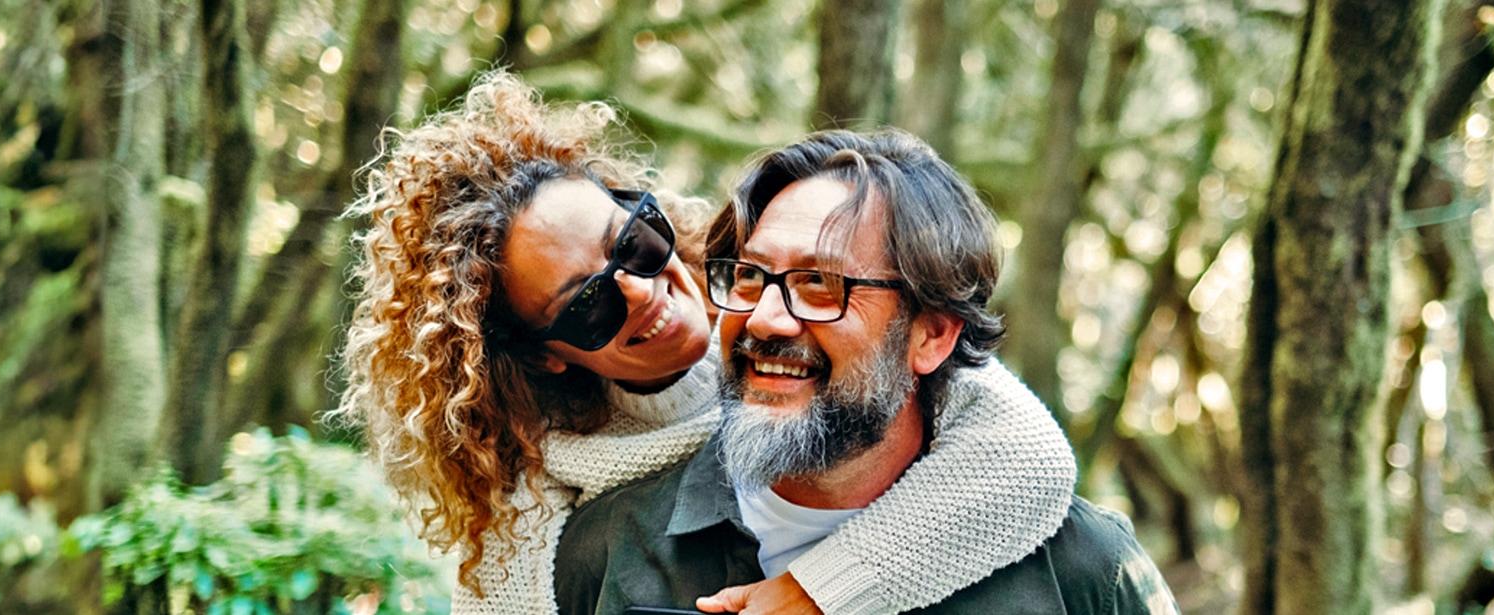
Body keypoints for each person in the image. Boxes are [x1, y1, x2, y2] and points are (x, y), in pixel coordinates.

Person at [335, 72, 1080, 615]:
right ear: (544, 353)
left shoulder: (765, 283)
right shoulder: (540, 501)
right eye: (588, 304)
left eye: (632, 241)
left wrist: (819, 592)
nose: (641, 289)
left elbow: (1028, 453)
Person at [554, 130, 1179, 615]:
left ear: (932, 334)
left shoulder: (1084, 571)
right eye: (750, 276)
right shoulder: (604, 553)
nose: (766, 318)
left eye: (820, 285)